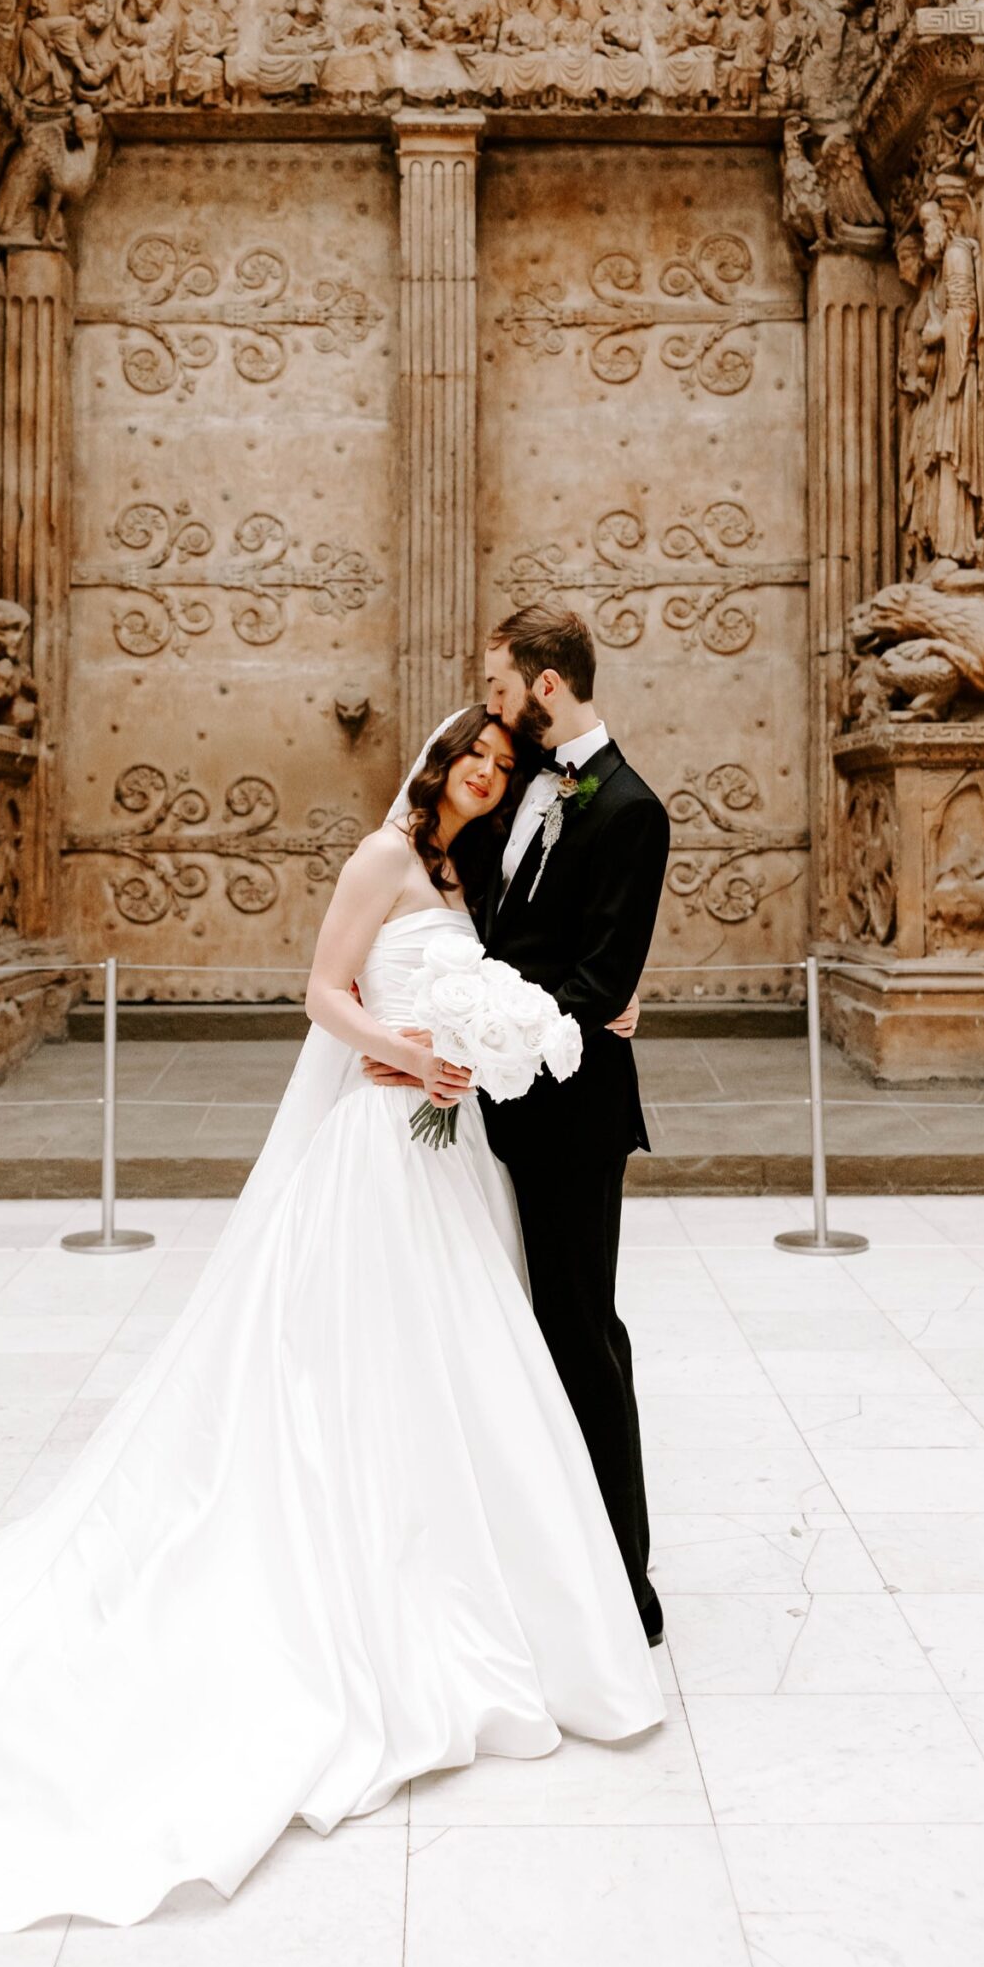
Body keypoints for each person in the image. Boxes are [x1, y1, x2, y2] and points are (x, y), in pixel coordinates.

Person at [0, 705, 662, 1930]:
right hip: (380, 1144)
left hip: (446, 1154)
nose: (486, 781)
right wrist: (400, 1048)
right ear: (437, 766)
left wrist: (564, 1022)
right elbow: (322, 992)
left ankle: (470, 1583)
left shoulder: (461, 872)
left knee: (458, 1370)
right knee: (348, 1371)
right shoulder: (383, 857)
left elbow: (504, 983)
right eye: (473, 763)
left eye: (501, 769)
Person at [373, 606, 671, 1644]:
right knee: (499, 1340)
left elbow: (596, 977)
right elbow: (465, 926)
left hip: (570, 1120)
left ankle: (626, 1579)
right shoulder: (512, 791)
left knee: (582, 1334)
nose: (488, 709)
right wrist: (422, 1031)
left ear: (546, 684)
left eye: (500, 688)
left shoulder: (633, 809)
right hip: (477, 1107)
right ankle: (528, 1555)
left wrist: (573, 1004)